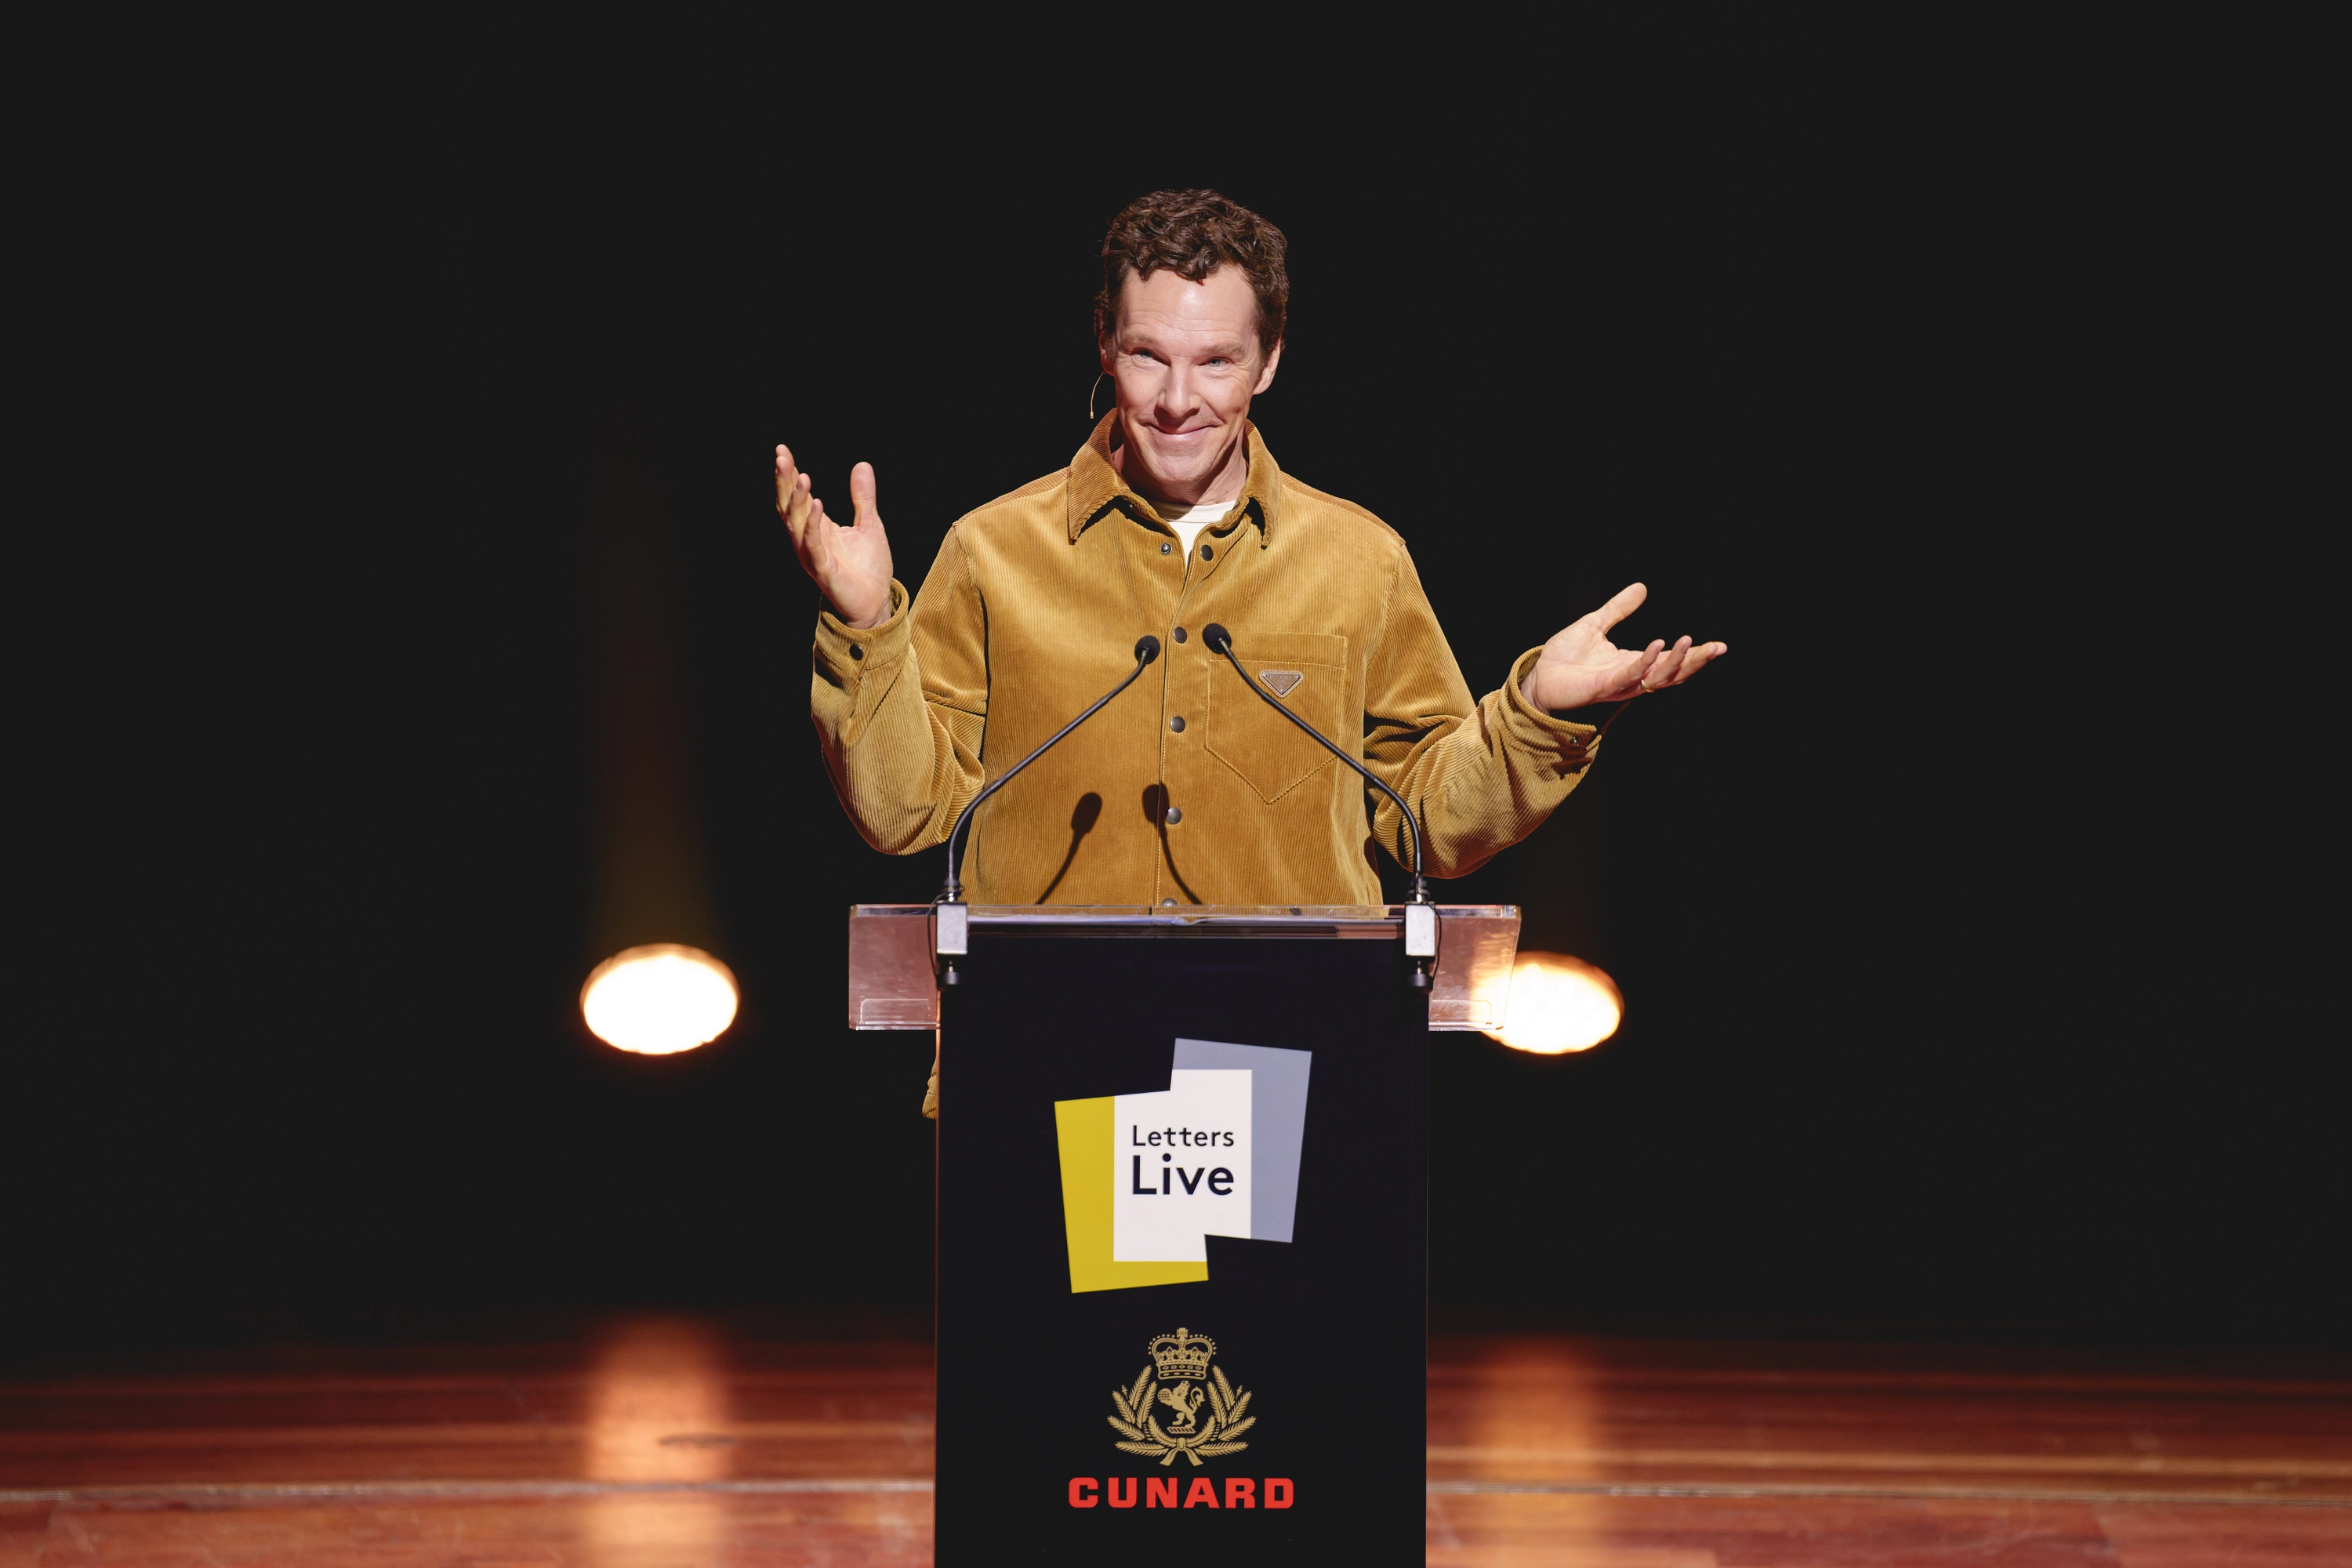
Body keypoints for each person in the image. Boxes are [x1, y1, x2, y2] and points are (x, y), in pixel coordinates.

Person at [777, 190, 1724, 1109]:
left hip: (1295, 1069)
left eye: (1217, 362)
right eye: (1147, 355)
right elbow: (904, 811)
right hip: (1047, 1061)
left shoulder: (1361, 560)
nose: (1177, 400)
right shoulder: (992, 551)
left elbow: (1428, 822)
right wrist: (863, 623)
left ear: (1269, 362)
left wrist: (1537, 714)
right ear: (1104, 341)